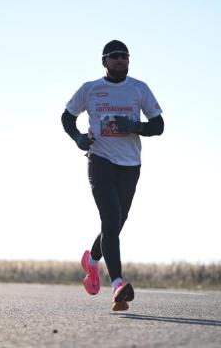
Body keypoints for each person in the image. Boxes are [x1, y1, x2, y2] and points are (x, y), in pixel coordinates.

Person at [61, 40, 164, 311]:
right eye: (115, 56)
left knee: (117, 222)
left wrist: (136, 126)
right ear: (104, 61)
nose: (120, 60)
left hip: (130, 164)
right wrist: (78, 138)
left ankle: (92, 261)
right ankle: (117, 283)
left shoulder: (139, 89)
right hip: (100, 160)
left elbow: (159, 125)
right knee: (110, 218)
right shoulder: (90, 89)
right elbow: (66, 117)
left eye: (125, 56)